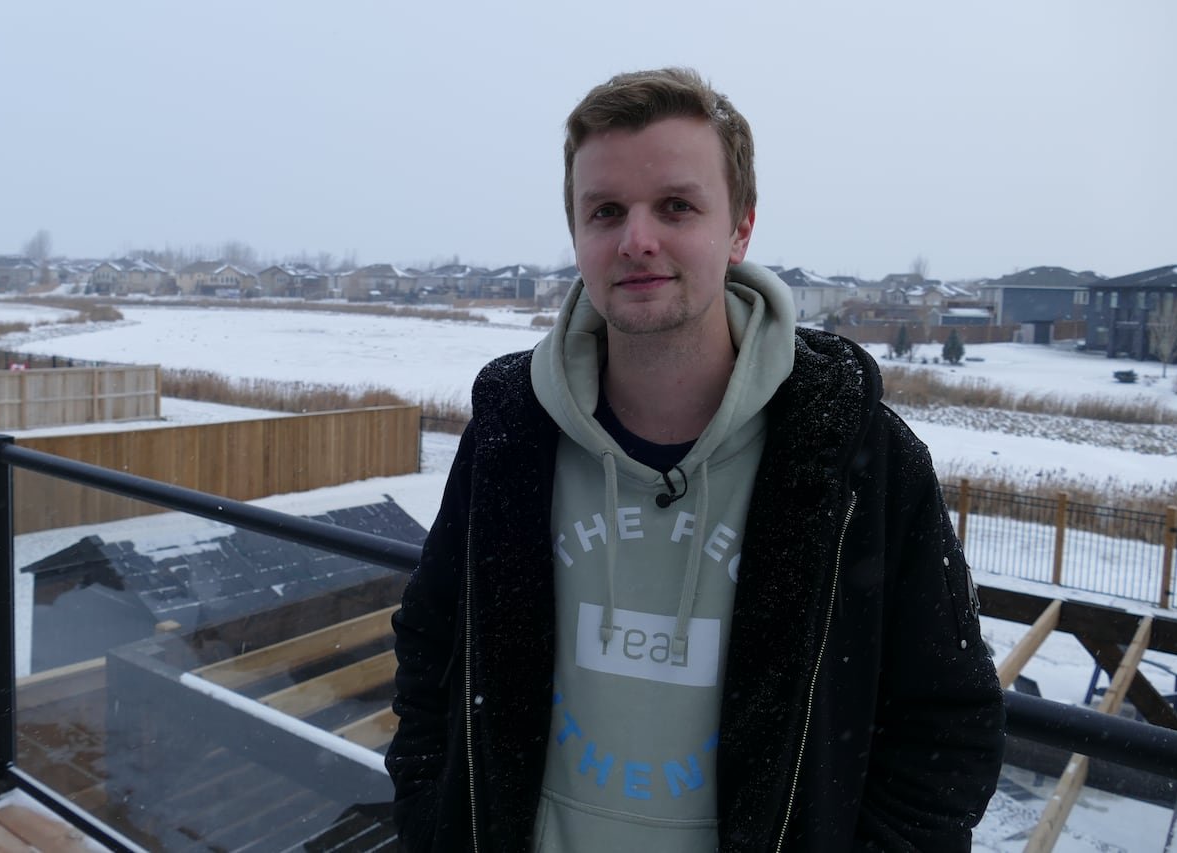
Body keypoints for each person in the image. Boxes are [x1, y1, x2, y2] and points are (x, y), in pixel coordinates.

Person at [386, 67, 1005, 852]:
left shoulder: (859, 456)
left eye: (676, 206)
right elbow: (431, 648)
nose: (636, 238)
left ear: (741, 227)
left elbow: (945, 723)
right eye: (605, 211)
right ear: (577, 233)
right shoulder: (513, 436)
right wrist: (429, 821)